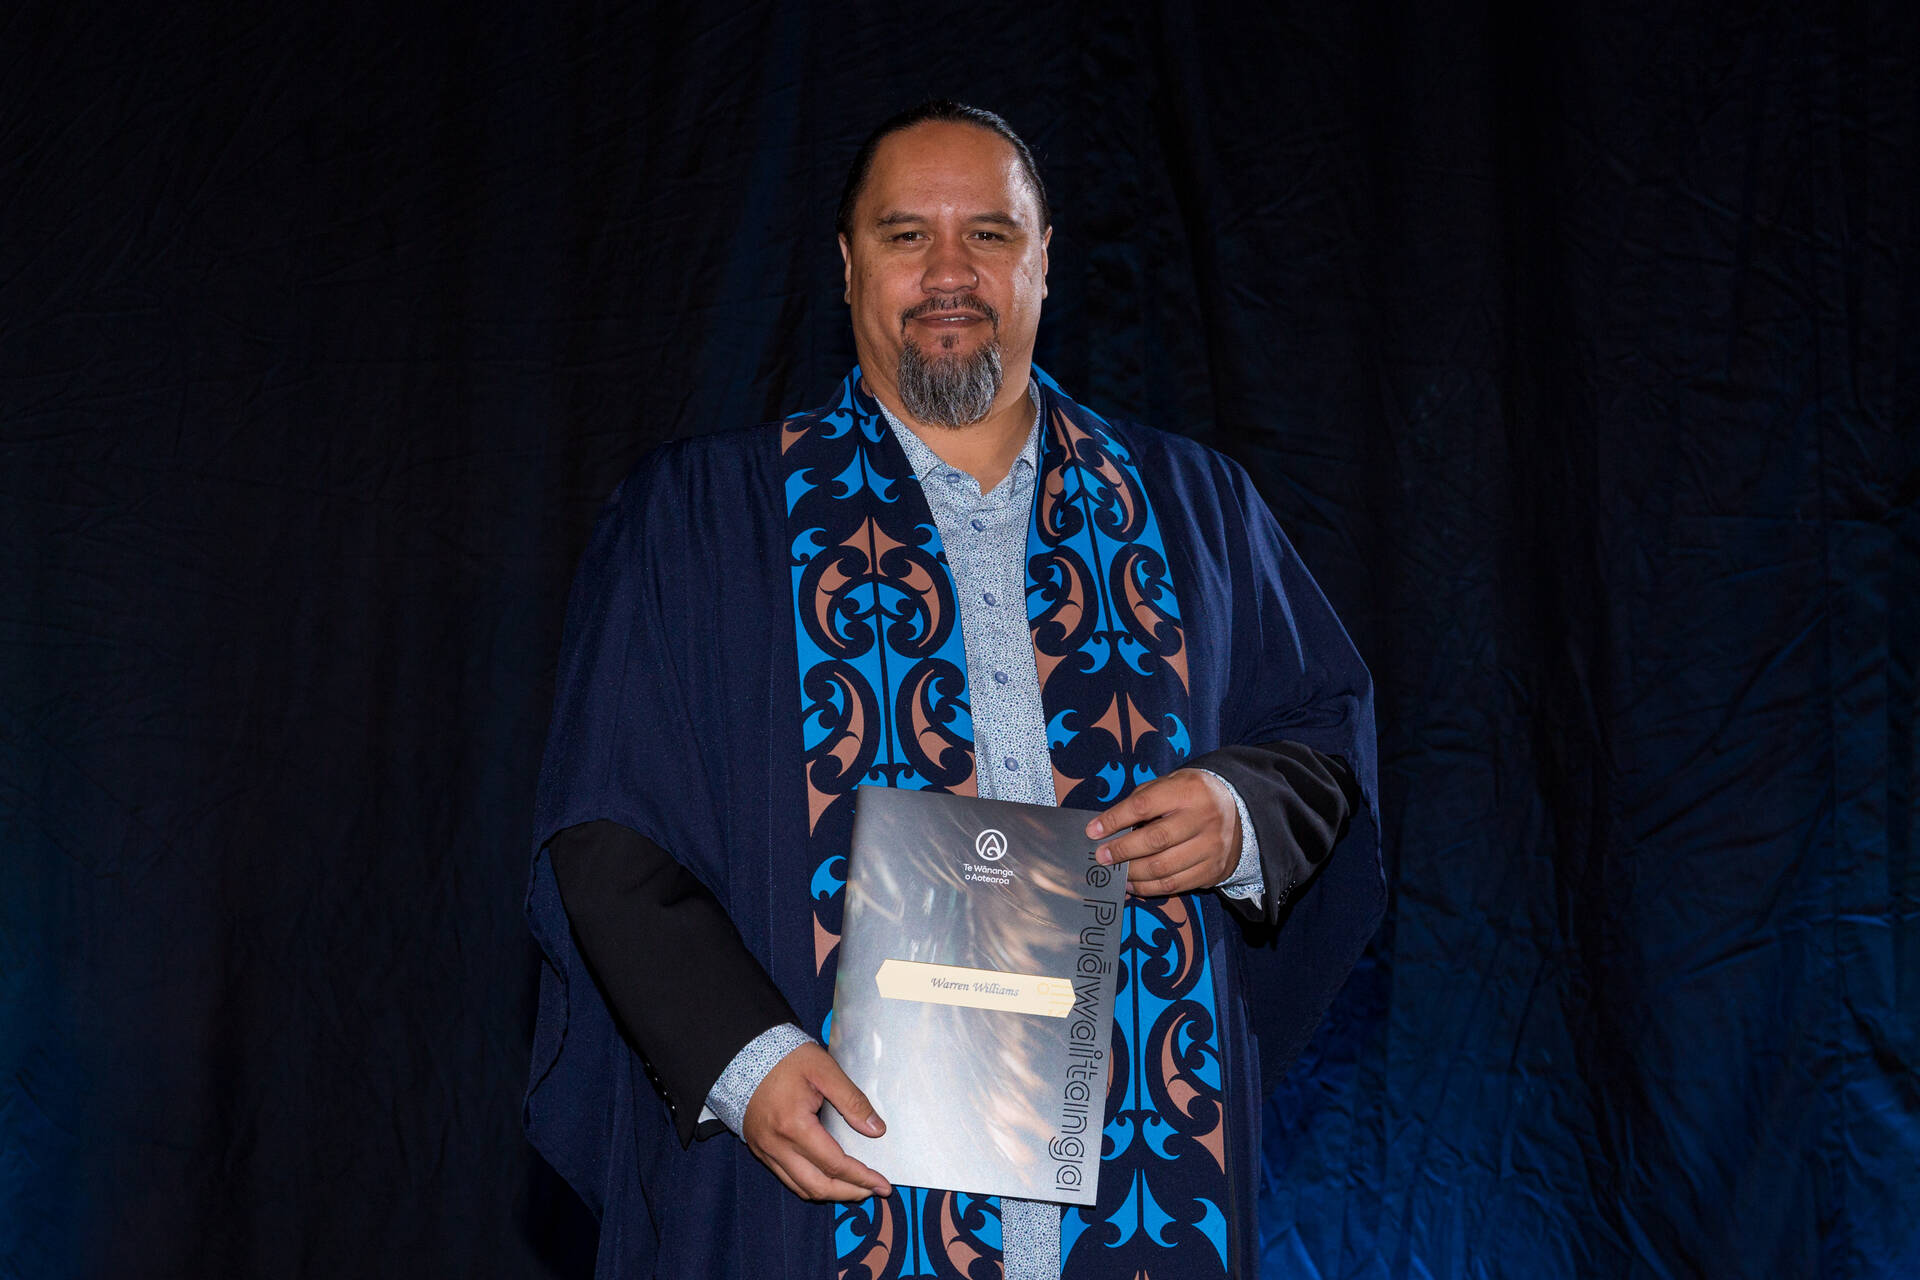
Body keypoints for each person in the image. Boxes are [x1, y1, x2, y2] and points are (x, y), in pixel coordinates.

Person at [524, 101, 1384, 1280]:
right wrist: (745, 1058)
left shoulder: (1198, 510)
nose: (947, 272)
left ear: (1044, 260)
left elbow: (1322, 728)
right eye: (904, 235)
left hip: (1137, 1173)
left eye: (988, 233)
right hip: (829, 1178)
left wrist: (1240, 814)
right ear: (846, 266)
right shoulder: (702, 522)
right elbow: (609, 829)